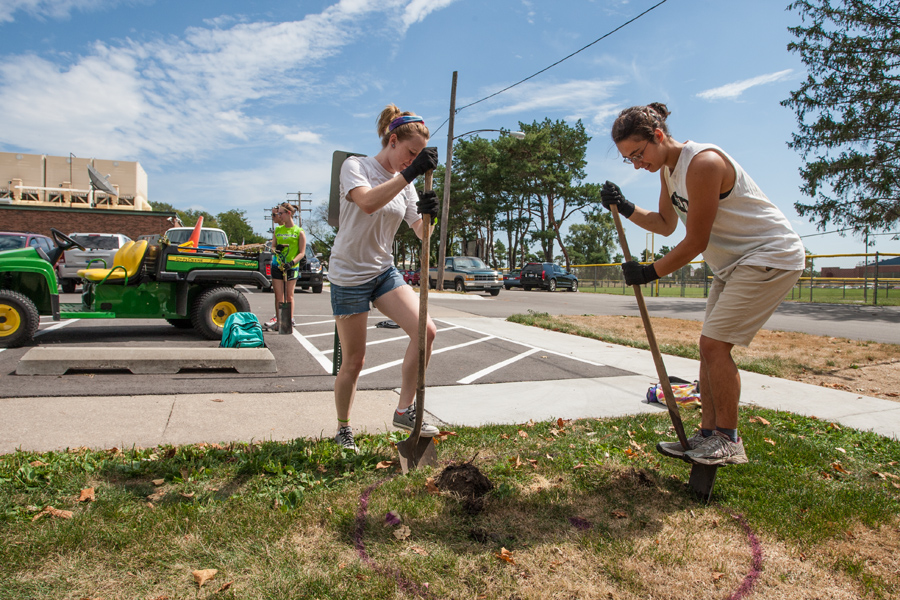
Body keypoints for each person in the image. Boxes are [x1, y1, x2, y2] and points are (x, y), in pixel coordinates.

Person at [601, 102, 805, 466]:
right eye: (628, 159)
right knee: (707, 347)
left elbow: (695, 241)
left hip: (769, 255)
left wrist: (649, 272)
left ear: (658, 136)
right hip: (733, 264)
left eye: (638, 153)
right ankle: (708, 435)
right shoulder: (668, 170)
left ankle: (728, 439)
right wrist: (627, 207)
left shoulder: (704, 163)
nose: (636, 164)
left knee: (714, 346)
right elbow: (666, 223)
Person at [328, 104, 440, 451]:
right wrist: (407, 175)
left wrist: (430, 216)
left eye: (419, 156)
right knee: (354, 362)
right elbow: (367, 203)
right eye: (411, 153)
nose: (413, 160)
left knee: (427, 331)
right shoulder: (356, 166)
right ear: (393, 140)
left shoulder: (405, 187)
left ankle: (405, 408)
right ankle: (343, 428)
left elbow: (422, 234)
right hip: (348, 274)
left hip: (382, 271)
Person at [265, 202, 306, 330]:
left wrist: (292, 263)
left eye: (280, 213)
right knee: (279, 295)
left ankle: (288, 321)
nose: (279, 216)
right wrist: (275, 249)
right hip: (278, 266)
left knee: (289, 295)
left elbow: (302, 252)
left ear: (288, 214)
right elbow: (272, 247)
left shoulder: (299, 232)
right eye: (278, 213)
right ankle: (279, 321)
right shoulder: (278, 230)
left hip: (291, 267)